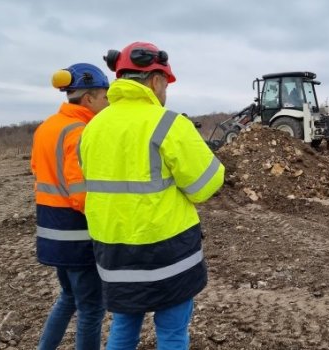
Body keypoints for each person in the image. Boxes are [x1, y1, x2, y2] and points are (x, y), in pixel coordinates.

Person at [78, 42, 225, 349]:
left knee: (123, 326)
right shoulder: (170, 123)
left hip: (112, 248)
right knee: (172, 332)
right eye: (165, 84)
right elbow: (205, 187)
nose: (165, 92)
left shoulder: (93, 128)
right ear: (156, 80)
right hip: (167, 250)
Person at [31, 63, 110, 349]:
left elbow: (38, 171)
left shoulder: (47, 127)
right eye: (104, 97)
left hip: (51, 229)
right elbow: (80, 191)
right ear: (88, 98)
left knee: (68, 298)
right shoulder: (80, 131)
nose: (107, 102)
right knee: (91, 309)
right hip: (76, 234)